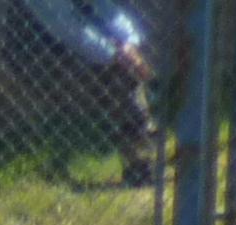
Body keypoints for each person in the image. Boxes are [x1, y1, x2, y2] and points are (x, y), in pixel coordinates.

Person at [12, 0, 162, 185]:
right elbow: (68, 29)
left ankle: (159, 131)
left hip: (89, 43)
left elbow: (107, 10)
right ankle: (140, 158)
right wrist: (115, 55)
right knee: (119, 75)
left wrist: (129, 43)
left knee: (132, 63)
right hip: (43, 51)